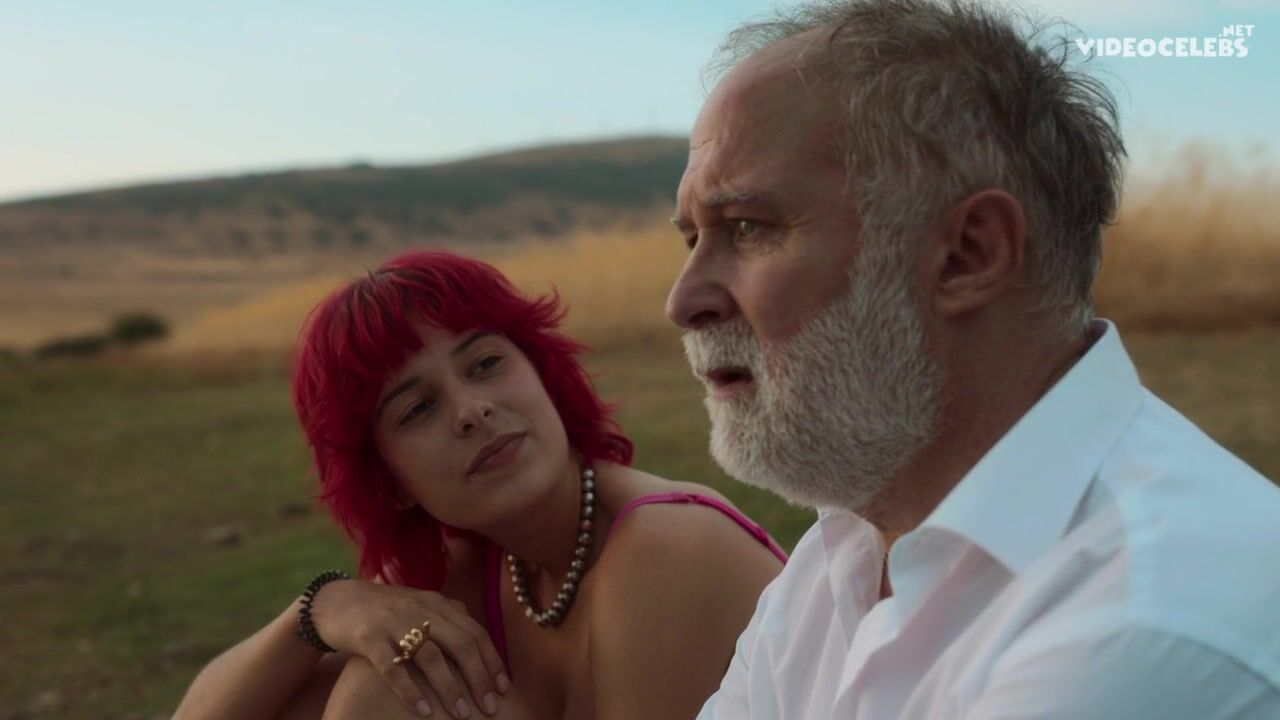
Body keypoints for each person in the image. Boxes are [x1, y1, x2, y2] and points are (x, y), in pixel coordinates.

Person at [666, 0, 1280, 717]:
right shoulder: (843, 553)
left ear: (967, 255)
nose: (683, 301)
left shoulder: (1143, 620)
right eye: (692, 238)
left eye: (747, 227)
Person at [174, 250, 785, 720]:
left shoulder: (665, 546)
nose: (471, 410)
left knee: (393, 687)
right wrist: (318, 611)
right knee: (365, 677)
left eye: (486, 364)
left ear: (543, 374)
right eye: (418, 409)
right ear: (391, 483)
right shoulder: (472, 569)